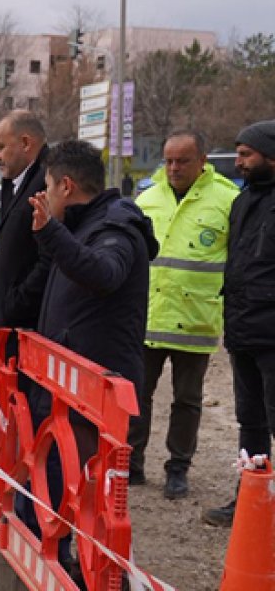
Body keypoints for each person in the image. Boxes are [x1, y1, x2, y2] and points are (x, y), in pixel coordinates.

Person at [26, 138, 157, 573]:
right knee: (65, 481)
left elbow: (104, 273)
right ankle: (60, 558)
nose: (44, 195)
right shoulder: (85, 224)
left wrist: (51, 232)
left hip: (97, 393)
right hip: (71, 383)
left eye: (47, 186)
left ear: (65, 186)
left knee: (90, 490)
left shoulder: (116, 227)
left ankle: (92, 573)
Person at [129, 130, 239, 500]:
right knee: (137, 395)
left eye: (183, 161)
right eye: (169, 161)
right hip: (149, 316)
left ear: (202, 161)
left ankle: (178, 468)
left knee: (188, 400)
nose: (174, 168)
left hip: (196, 318)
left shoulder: (227, 200)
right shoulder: (147, 198)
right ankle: (132, 463)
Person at [203, 119, 275, 528]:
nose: (239, 162)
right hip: (243, 330)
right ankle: (251, 501)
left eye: (247, 154)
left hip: (271, 335)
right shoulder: (243, 201)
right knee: (251, 423)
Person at [0, 111, 52, 389]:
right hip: (6, 333)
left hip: (25, 335)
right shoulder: (17, 182)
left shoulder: (48, 182)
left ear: (26, 143)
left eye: (0, 147)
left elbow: (49, 256)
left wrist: (14, 305)